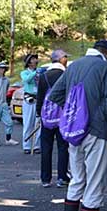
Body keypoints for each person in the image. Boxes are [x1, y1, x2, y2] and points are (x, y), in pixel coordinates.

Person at [49, 40, 107, 211]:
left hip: (73, 130)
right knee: (95, 181)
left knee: (78, 178)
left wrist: (75, 112)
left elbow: (55, 95)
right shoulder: (106, 67)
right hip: (96, 130)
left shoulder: (73, 66)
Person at [36, 49, 70, 188]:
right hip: (62, 115)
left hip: (47, 116)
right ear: (61, 59)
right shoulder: (65, 74)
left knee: (46, 147)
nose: (66, 60)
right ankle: (62, 177)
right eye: (66, 57)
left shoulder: (44, 76)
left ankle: (45, 178)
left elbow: (40, 97)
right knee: (63, 147)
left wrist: (39, 113)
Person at [21, 53, 40, 154]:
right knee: (28, 123)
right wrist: (35, 73)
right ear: (29, 62)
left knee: (38, 123)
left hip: (38, 98)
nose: (35, 61)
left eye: (36, 59)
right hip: (29, 99)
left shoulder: (39, 72)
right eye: (33, 59)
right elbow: (27, 80)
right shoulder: (24, 73)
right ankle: (26, 145)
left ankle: (36, 145)